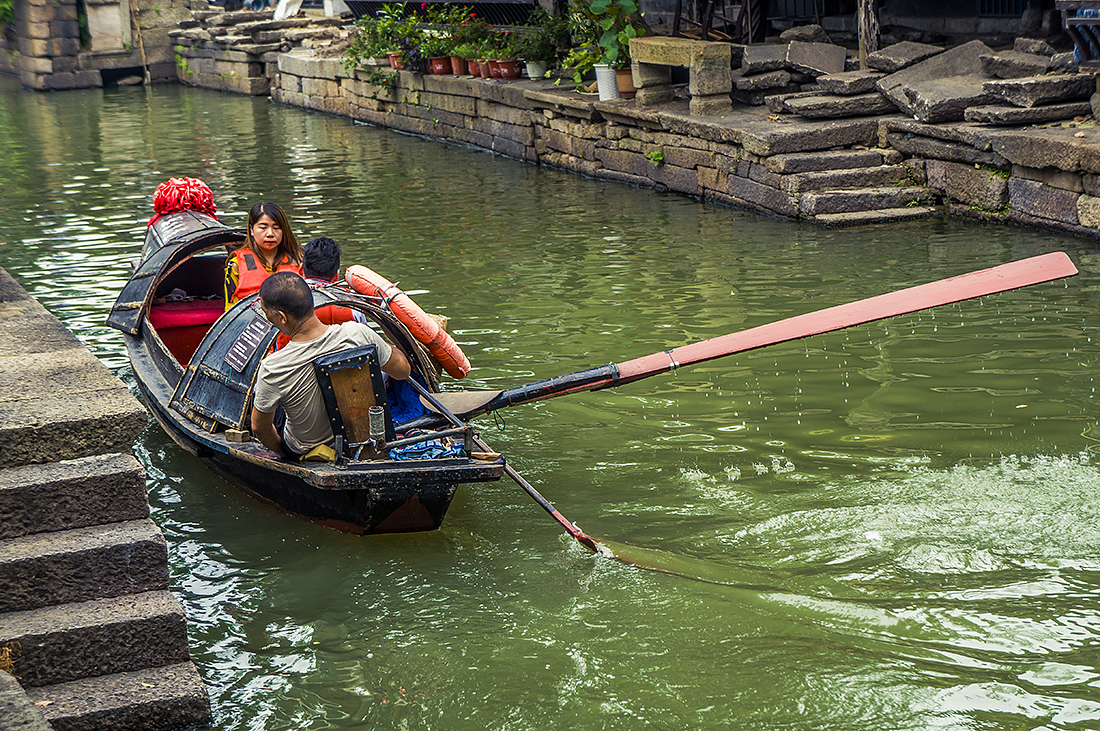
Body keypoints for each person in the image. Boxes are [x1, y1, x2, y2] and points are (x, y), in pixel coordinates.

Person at [250, 272, 411, 461]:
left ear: (282, 317)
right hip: (359, 436)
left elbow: (258, 427)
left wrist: (283, 452)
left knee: (265, 404)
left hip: (302, 447)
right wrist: (386, 344)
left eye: (266, 312)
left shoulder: (273, 367)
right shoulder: (359, 334)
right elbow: (403, 371)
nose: (266, 317)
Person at [224, 201, 303, 309]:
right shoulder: (236, 265)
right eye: (263, 227)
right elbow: (230, 309)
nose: (270, 234)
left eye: (276, 228)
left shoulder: (299, 260)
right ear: (252, 230)